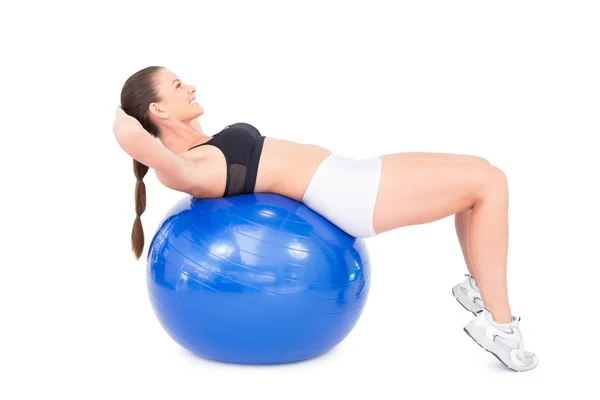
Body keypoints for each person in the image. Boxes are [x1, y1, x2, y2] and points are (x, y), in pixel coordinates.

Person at [113, 66, 539, 372]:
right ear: (159, 111)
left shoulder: (201, 142)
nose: (190, 85)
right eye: (176, 85)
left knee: (481, 170)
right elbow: (137, 141)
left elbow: (158, 131)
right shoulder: (189, 167)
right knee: (490, 184)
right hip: (349, 196)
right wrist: (126, 120)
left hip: (349, 174)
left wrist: (154, 116)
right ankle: (500, 328)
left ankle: (480, 287)